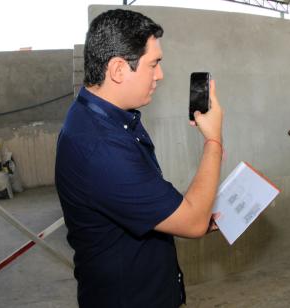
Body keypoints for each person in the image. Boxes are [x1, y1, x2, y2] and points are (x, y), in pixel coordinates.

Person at [55, 9, 223, 308]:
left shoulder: (109, 117)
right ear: (118, 69)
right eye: (153, 64)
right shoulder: (100, 147)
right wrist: (214, 140)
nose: (160, 74)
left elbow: (138, 198)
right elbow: (194, 223)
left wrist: (180, 214)